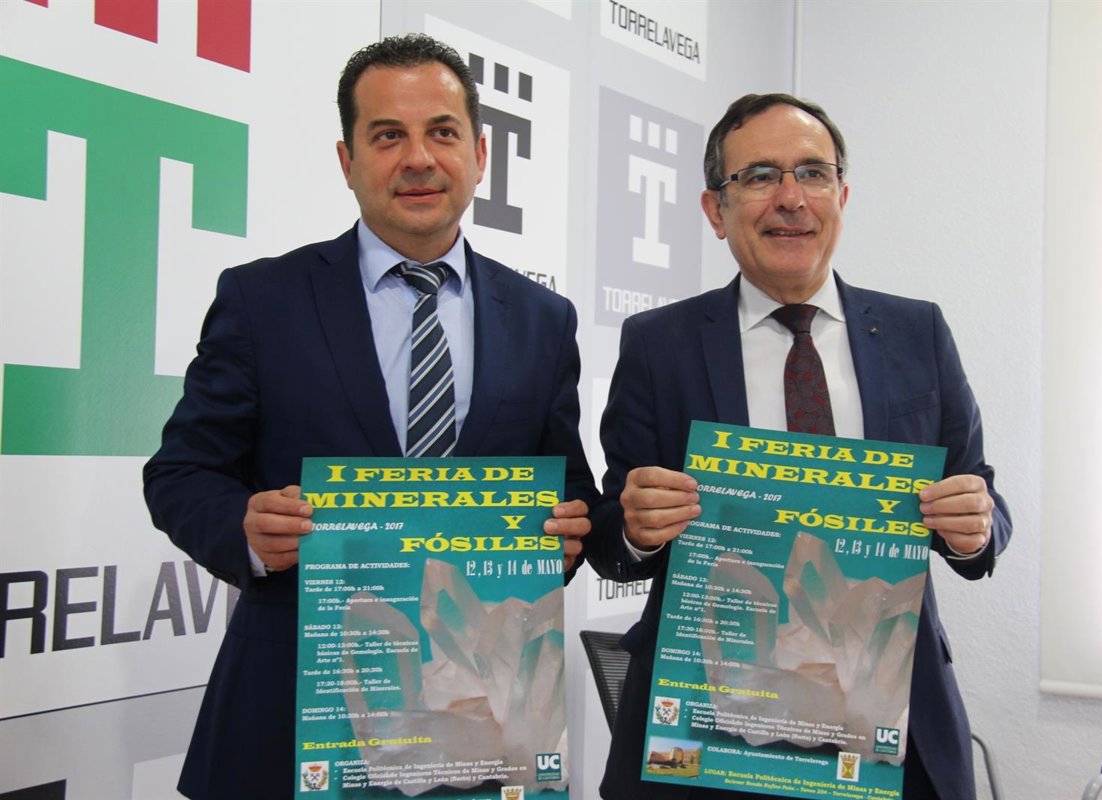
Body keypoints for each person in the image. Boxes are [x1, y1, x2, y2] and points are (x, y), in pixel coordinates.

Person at [143, 34, 596, 800]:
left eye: (442, 132)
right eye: (388, 136)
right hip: (291, 709)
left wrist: (568, 534)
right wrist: (244, 530)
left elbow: (567, 490)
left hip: (479, 718)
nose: (418, 159)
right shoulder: (263, 300)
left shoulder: (542, 319)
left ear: (480, 155)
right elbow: (181, 473)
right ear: (347, 160)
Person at [587, 93, 1011, 800]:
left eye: (813, 173)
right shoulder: (659, 346)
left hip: (886, 719)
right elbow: (610, 537)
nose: (791, 197)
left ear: (841, 195)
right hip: (712, 727)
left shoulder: (918, 334)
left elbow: (982, 497)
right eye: (759, 176)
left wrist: (974, 527)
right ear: (715, 209)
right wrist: (635, 528)